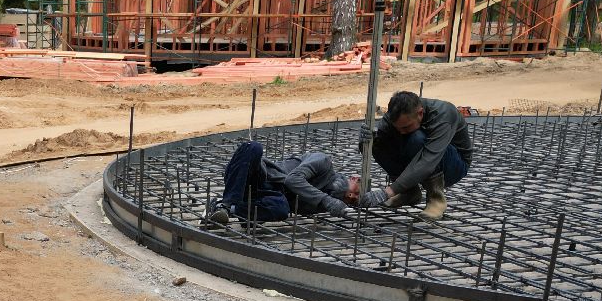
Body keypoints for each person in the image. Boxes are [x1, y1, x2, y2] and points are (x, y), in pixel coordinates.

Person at [360, 91, 474, 221]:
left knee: (416, 138)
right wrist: (365, 140)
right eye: (398, 128)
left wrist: (388, 192)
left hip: (453, 166)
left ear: (420, 113)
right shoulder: (394, 116)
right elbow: (375, 148)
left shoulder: (444, 113)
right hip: (419, 160)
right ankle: (409, 192)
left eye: (406, 127)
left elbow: (428, 160)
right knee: (378, 142)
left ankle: (436, 200)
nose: (401, 132)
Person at [203, 140, 361, 227]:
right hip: (257, 176)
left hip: (265, 198)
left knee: (281, 209)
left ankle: (230, 209)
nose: (351, 196)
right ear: (354, 178)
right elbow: (293, 179)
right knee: (253, 148)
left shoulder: (322, 204)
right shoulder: (324, 162)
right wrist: (327, 200)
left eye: (351, 199)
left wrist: (385, 193)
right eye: (356, 192)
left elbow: (364, 201)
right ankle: (225, 204)